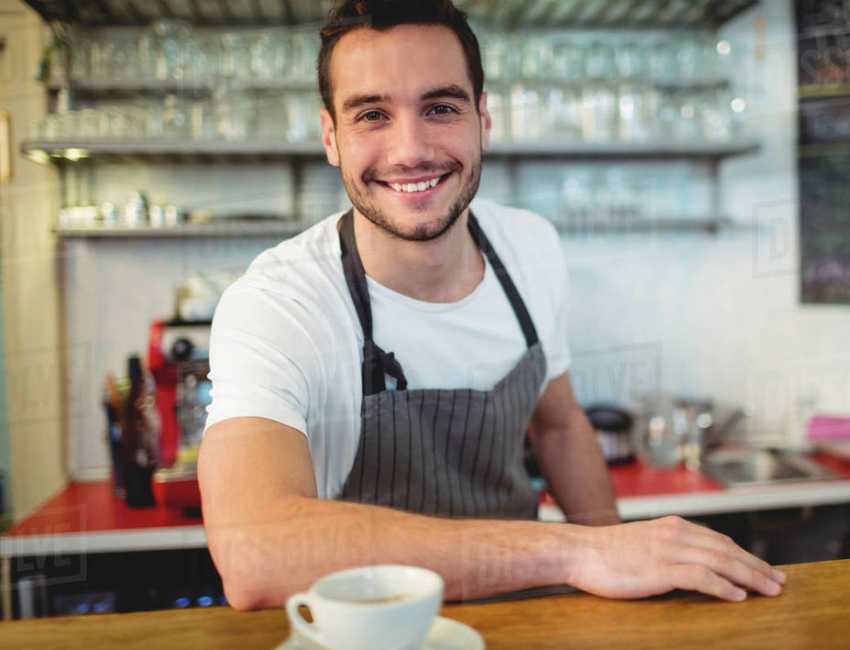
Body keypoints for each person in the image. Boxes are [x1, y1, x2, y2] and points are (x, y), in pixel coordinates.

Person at [197, 0, 785, 610]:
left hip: (529, 615)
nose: (411, 150)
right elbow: (255, 554)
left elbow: (558, 426)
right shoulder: (279, 303)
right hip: (367, 629)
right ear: (331, 138)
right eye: (372, 114)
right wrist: (575, 552)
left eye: (441, 108)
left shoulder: (530, 248)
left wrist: (616, 553)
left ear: (483, 119)